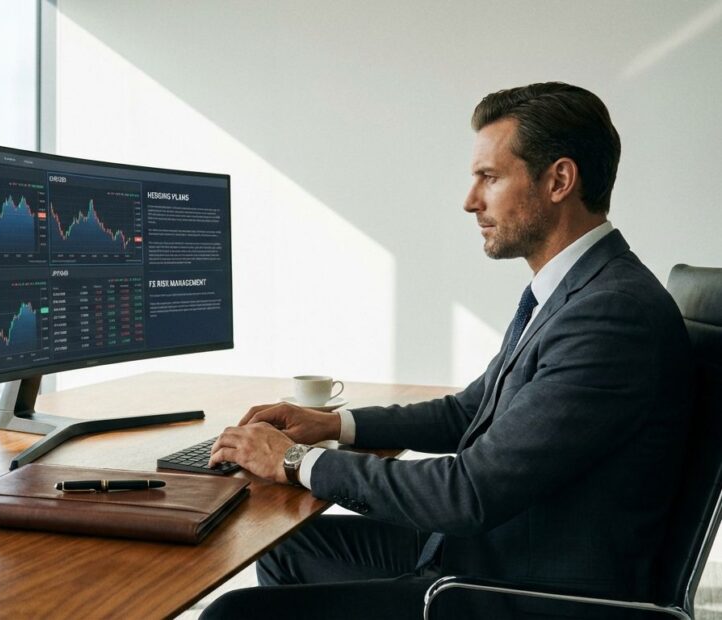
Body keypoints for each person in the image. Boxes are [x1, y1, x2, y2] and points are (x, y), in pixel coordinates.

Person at [201, 82, 692, 619]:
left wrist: (294, 460)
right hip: (490, 552)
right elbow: (467, 412)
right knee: (288, 549)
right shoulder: (573, 290)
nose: (470, 200)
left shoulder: (610, 315)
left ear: (559, 180)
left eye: (490, 176)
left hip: (523, 592)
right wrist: (330, 425)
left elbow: (468, 492)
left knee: (232, 614)